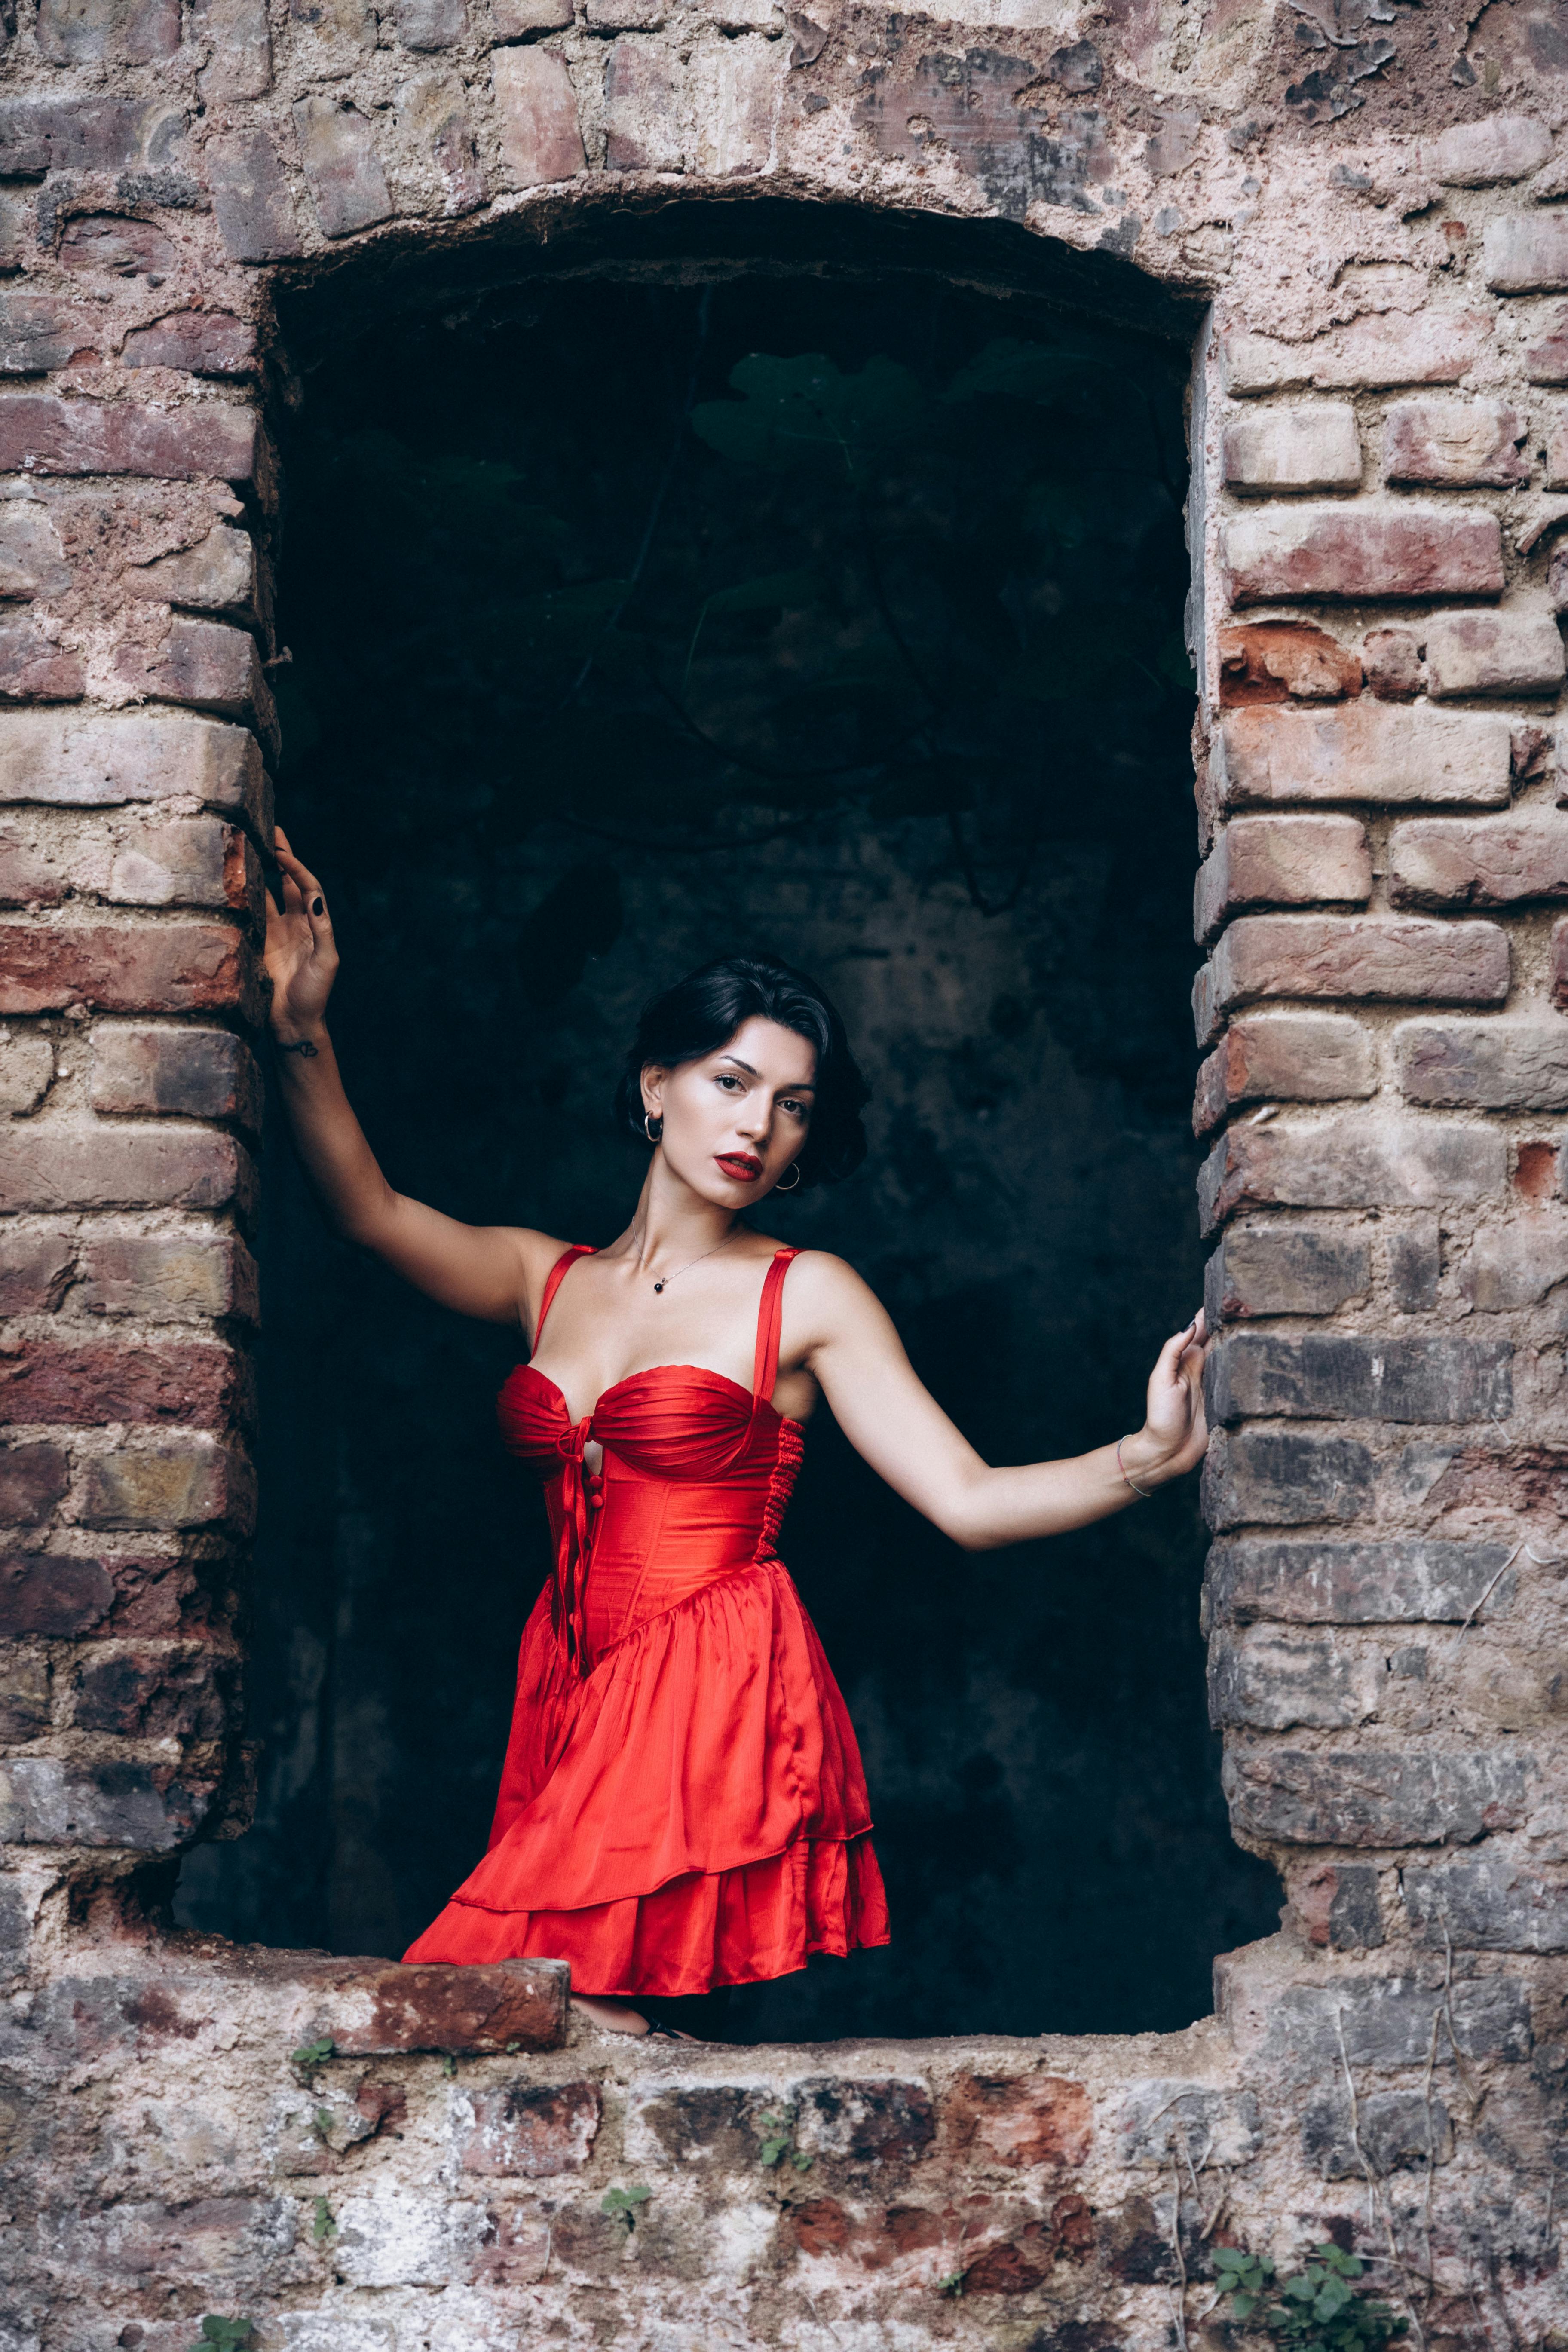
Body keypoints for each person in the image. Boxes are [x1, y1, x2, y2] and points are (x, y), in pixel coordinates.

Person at [263, 827, 1211, 2038]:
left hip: (705, 1675)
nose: (759, 1126)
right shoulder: (541, 1279)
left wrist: (1148, 1456)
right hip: (564, 1687)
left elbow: (966, 1499)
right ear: (654, 1084)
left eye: (794, 1107)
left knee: (504, 2004)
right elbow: (369, 1210)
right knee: (542, 2022)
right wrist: (300, 1023)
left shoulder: (806, 1295)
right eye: (731, 1081)